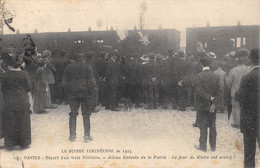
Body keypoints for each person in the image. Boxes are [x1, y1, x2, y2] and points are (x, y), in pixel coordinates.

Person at [1, 50, 32, 150]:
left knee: (10, 122)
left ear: (10, 65)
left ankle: (10, 144)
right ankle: (24, 143)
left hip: (9, 102)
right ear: (19, 65)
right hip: (22, 101)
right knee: (23, 122)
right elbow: (29, 88)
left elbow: (2, 88)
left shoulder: (5, 75)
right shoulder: (24, 74)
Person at [62, 51, 95, 142]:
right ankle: (86, 136)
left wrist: (69, 90)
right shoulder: (87, 67)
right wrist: (91, 93)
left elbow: (64, 82)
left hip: (73, 94)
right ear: (83, 58)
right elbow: (92, 82)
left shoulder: (69, 67)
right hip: (85, 94)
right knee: (86, 115)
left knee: (73, 114)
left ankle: (72, 136)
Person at [236, 48, 260, 168]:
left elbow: (240, 98)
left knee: (249, 154)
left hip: (250, 121)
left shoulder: (246, 78)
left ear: (251, 60)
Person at [194, 52, 222, 152]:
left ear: (202, 65)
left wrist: (208, 97)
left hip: (202, 105)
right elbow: (220, 91)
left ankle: (203, 147)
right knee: (213, 126)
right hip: (212, 106)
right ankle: (213, 147)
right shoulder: (216, 76)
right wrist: (214, 103)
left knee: (203, 126)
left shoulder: (199, 76)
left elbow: (199, 91)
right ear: (210, 65)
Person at [226, 49, 251, 128]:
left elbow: (228, 84)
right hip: (246, 92)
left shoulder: (233, 70)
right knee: (245, 107)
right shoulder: (249, 69)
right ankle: (245, 122)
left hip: (236, 92)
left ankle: (237, 123)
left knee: (236, 108)